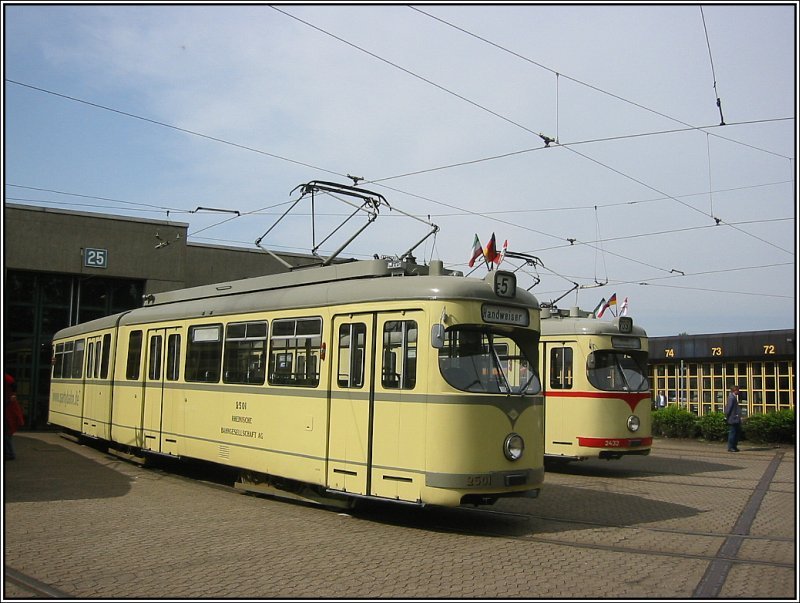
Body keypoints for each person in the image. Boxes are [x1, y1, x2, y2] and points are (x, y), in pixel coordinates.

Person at [4, 373, 24, 461]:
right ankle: (8, 452)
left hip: (8, 415)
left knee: (6, 435)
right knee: (7, 435)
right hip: (9, 414)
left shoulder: (7, 380)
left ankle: (9, 453)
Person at [724, 385, 741, 453]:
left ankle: (734, 446)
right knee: (733, 432)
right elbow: (729, 407)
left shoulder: (733, 397)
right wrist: (726, 415)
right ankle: (731, 447)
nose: (739, 391)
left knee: (736, 432)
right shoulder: (731, 397)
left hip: (735, 418)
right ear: (735, 390)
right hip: (733, 418)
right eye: (738, 390)